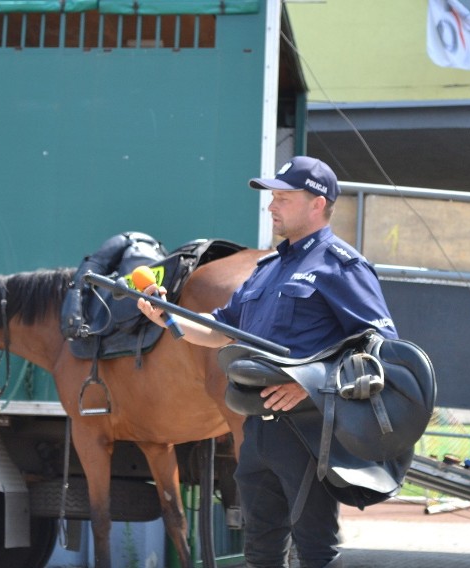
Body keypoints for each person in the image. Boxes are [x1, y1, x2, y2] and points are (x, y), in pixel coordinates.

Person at [137, 156, 397, 568]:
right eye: (272, 197)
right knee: (260, 551)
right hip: (256, 429)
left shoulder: (340, 266)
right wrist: (170, 319)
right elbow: (223, 329)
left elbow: (380, 346)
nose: (272, 205)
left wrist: (307, 382)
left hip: (309, 429)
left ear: (317, 203)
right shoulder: (267, 269)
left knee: (315, 550)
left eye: (283, 197)